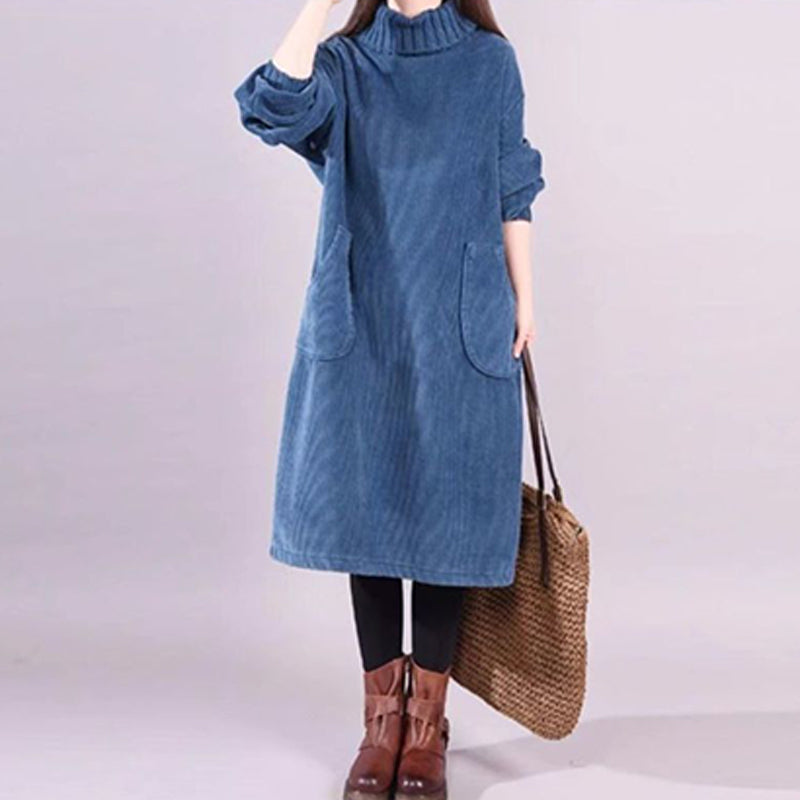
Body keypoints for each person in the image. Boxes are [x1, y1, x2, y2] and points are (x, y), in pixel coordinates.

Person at [233, 1, 545, 797]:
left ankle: (427, 725)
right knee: (366, 512)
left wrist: (525, 298)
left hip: (459, 313)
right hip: (363, 310)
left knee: (444, 513)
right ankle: (382, 721)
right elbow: (271, 105)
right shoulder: (344, 64)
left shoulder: (488, 63)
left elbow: (513, 183)